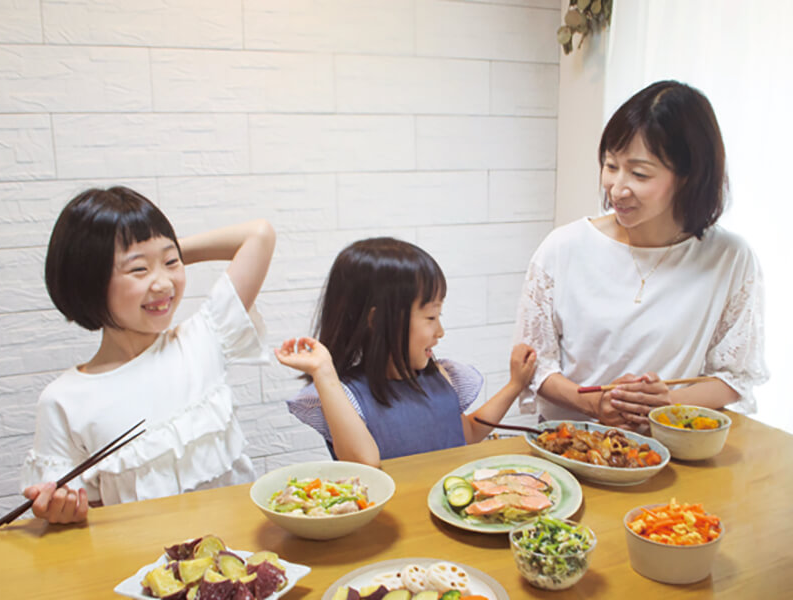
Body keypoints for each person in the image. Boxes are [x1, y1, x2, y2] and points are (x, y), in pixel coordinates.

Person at [513, 80, 768, 430]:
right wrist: (593, 403)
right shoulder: (563, 248)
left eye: (639, 173)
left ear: (688, 176)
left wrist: (665, 404)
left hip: (673, 449)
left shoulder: (730, 258)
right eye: (610, 165)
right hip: (570, 445)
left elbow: (733, 376)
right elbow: (535, 367)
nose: (617, 188)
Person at [20, 186, 276, 524]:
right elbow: (67, 515)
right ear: (89, 281)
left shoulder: (203, 337)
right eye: (139, 271)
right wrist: (62, 512)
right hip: (146, 571)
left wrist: (156, 253)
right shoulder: (63, 400)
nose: (164, 284)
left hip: (242, 557)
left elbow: (259, 234)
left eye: (172, 263)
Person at [275, 237, 537, 467]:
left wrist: (515, 385)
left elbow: (466, 433)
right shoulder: (343, 396)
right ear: (378, 321)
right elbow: (364, 463)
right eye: (431, 316)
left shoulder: (441, 375)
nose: (440, 331)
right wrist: (323, 373)